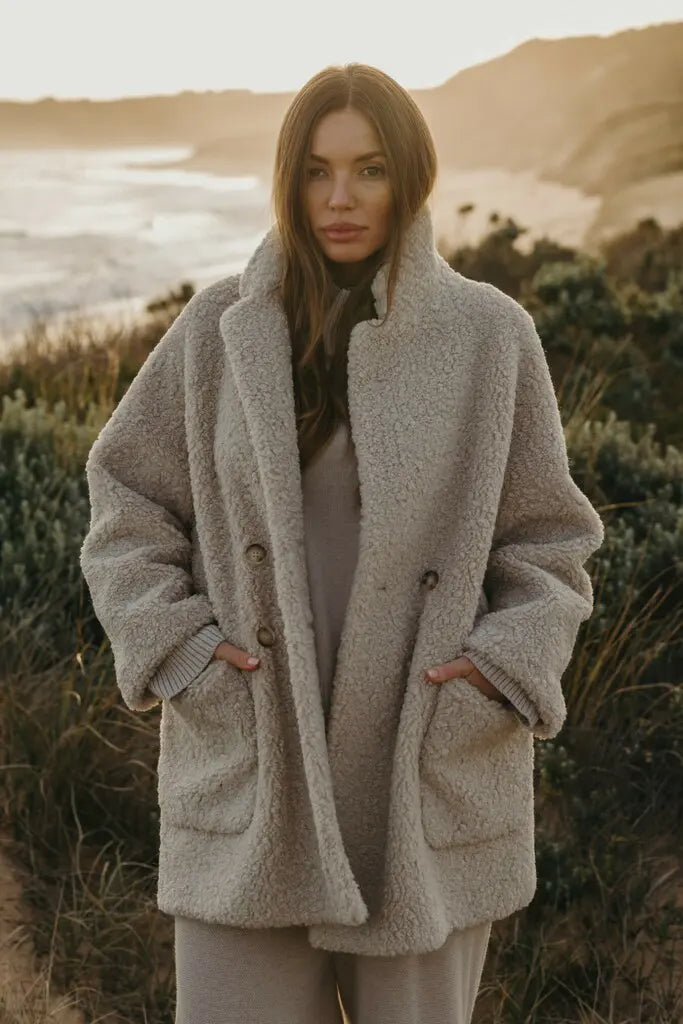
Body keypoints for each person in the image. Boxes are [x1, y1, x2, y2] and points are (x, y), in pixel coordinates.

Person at [79, 63, 605, 1023]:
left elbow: (549, 542)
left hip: (418, 784)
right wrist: (183, 654)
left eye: (367, 169)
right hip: (252, 774)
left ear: (409, 174)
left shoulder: (490, 337)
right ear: (288, 179)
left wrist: (496, 673)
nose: (339, 198)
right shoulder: (216, 332)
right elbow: (125, 501)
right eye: (317, 171)